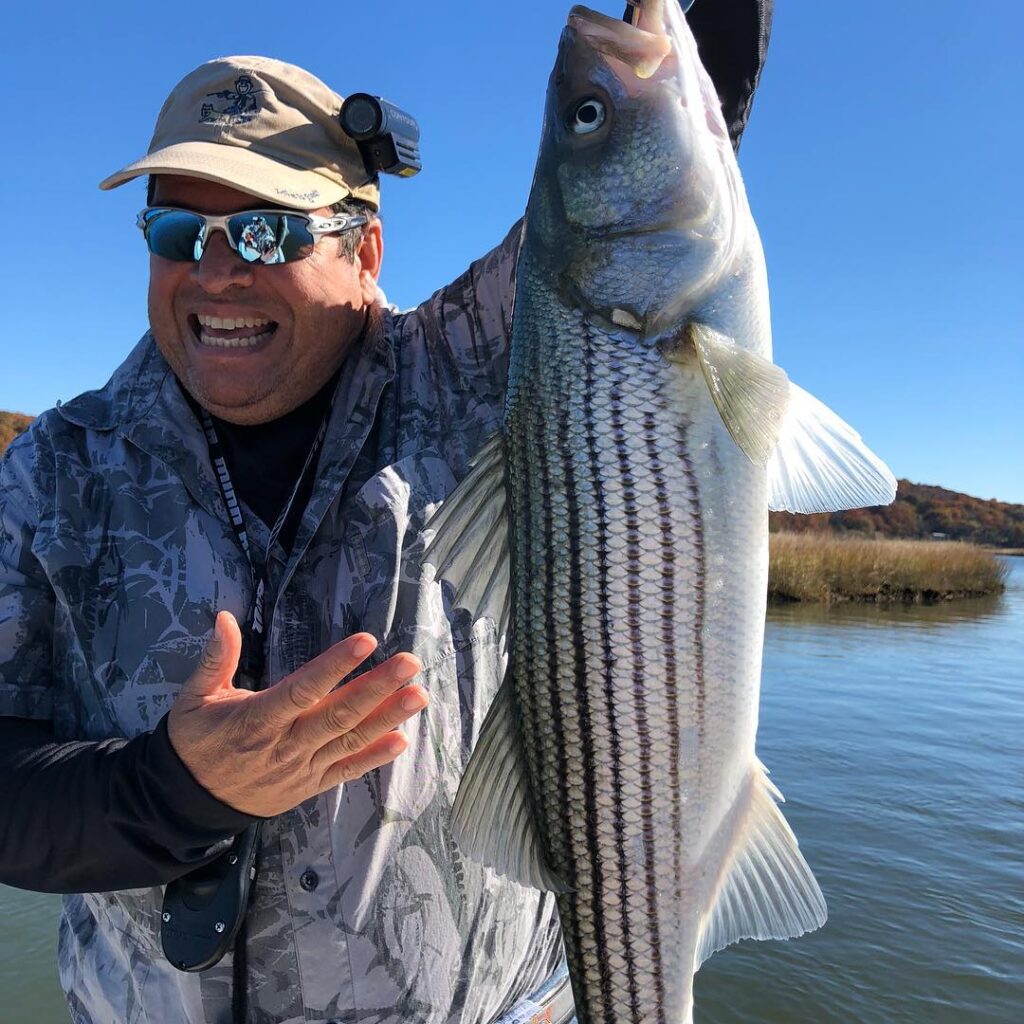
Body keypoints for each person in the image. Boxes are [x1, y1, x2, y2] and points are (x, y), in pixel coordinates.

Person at [0, 5, 773, 1023]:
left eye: (268, 229)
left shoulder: (476, 361)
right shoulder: (53, 472)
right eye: (177, 230)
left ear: (366, 249)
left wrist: (657, 40)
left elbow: (626, 194)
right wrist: (171, 787)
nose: (216, 271)